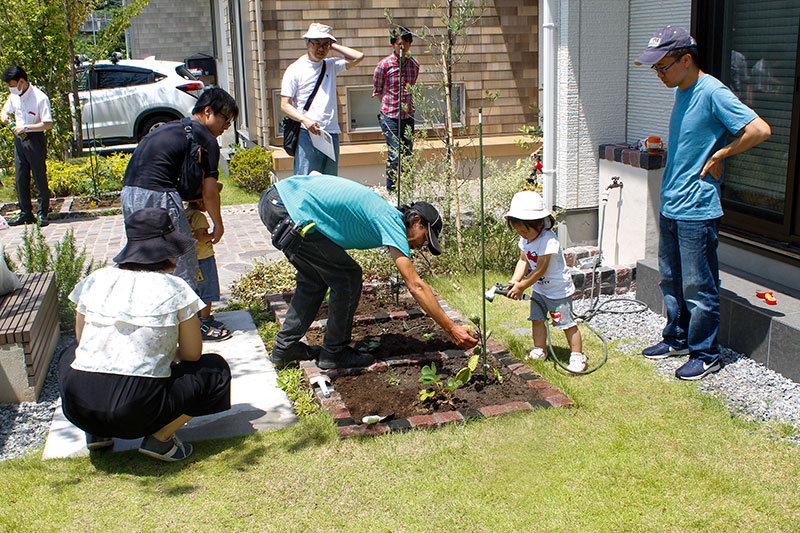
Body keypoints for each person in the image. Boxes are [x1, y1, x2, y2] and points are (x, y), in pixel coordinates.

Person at [634, 26, 771, 380]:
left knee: (699, 285)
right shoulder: (682, 89)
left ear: (686, 59)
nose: (659, 74)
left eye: (663, 66)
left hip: (697, 206)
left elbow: (759, 129)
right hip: (672, 203)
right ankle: (677, 338)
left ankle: (706, 353)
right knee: (671, 279)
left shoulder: (711, 91)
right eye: (656, 69)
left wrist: (722, 153)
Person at [58, 207, 231, 462]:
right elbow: (193, 355)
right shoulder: (175, 288)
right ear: (168, 252)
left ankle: (97, 432)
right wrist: (166, 353)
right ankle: (160, 439)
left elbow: (83, 341)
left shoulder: (96, 279)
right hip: (137, 410)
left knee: (68, 354)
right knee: (215, 370)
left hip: (78, 406)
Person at [258, 174, 478, 369]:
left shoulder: (383, 215)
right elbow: (415, 284)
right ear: (416, 220)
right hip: (287, 209)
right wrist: (451, 328)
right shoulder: (390, 220)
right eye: (425, 238)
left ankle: (285, 349)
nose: (422, 246)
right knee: (347, 276)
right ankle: (334, 353)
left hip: (276, 203)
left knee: (314, 281)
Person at [121, 87, 238, 290]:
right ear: (208, 111)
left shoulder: (172, 127)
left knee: (147, 259)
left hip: (129, 194)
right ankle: (190, 320)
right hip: (159, 196)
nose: (226, 127)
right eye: (225, 120)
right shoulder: (206, 138)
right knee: (182, 262)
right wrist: (218, 225)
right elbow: (210, 193)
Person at [504, 191, 586, 374]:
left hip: (558, 292)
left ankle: (577, 356)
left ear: (540, 223)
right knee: (537, 320)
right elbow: (523, 261)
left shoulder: (548, 241)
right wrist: (515, 280)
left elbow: (540, 268)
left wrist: (522, 286)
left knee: (565, 323)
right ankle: (540, 349)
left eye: (525, 230)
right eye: (518, 231)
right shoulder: (525, 239)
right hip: (540, 290)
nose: (522, 234)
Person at [281, 23, 364, 176]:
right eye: (317, 43)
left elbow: (359, 56)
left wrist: (333, 46)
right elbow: (285, 105)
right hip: (308, 132)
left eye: (325, 44)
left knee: (329, 184)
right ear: (307, 42)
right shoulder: (295, 69)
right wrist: (305, 120)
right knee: (305, 181)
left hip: (330, 133)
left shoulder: (330, 65)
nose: (321, 49)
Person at [0, 66, 53, 227]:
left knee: (39, 176)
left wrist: (27, 128)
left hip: (35, 138)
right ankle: (26, 213)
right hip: (19, 140)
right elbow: (4, 112)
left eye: (12, 84)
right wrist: (8, 122)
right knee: (20, 177)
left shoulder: (39, 97)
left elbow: (48, 124)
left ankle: (43, 212)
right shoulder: (14, 96)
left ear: (21, 81)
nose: (11, 88)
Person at [373, 26, 419, 192]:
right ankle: (392, 191)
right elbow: (378, 91)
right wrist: (390, 106)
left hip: (408, 116)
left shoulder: (414, 64)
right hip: (390, 116)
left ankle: (406, 190)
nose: (403, 47)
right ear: (393, 44)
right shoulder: (384, 65)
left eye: (406, 43)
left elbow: (412, 88)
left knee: (407, 155)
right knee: (395, 155)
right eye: (399, 43)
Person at [185, 187, 232, 341]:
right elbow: (200, 237)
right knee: (207, 289)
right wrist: (212, 235)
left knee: (197, 288)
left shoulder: (186, 214)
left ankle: (200, 318)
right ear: (200, 201)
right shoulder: (199, 216)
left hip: (192, 259)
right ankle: (204, 321)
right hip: (204, 258)